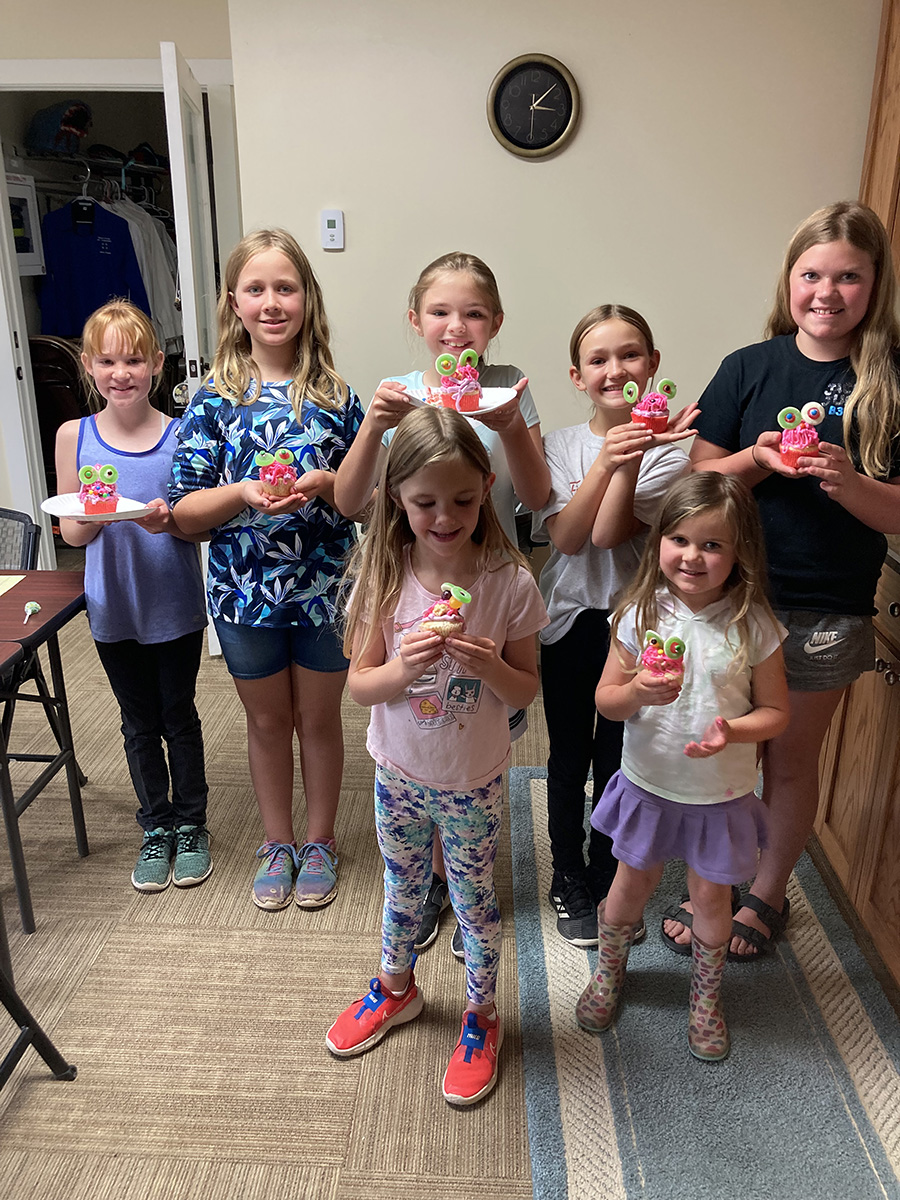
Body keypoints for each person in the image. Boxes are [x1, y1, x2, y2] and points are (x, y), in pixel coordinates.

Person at [665, 201, 900, 961]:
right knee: (727, 752)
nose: (826, 292)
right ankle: (719, 881)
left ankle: (765, 895)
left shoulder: (890, 381)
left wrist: (849, 482)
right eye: (811, 274)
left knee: (790, 762)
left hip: (829, 608)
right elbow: (697, 478)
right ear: (790, 279)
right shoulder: (750, 366)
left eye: (848, 277)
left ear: (874, 284)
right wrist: (757, 463)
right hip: (733, 601)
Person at [326, 406, 548, 1105]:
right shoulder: (383, 575)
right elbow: (362, 685)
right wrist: (402, 667)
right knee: (402, 889)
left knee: (477, 903)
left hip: (473, 780)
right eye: (425, 502)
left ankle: (482, 1015)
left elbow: (528, 688)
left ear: (486, 487)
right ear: (397, 497)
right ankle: (396, 989)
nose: (445, 516)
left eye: (461, 498)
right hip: (397, 772)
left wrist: (488, 670)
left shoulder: (510, 583)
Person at [334, 250, 551, 954]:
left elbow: (540, 497)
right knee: (418, 761)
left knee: (475, 748)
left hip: (489, 578)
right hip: (410, 575)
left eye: (473, 313)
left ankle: (465, 887)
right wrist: (373, 424)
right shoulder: (396, 391)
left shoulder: (511, 388)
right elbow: (350, 501)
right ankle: (428, 884)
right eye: (440, 312)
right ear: (416, 320)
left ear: (494, 323)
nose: (456, 327)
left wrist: (511, 420)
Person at [169, 229, 363, 911]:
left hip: (324, 590)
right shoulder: (211, 398)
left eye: (287, 287)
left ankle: (320, 841)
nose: (272, 301)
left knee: (319, 719)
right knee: (265, 722)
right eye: (257, 288)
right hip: (243, 591)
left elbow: (364, 498)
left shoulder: (337, 396)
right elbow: (184, 511)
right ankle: (275, 841)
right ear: (233, 302)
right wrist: (243, 494)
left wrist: (325, 482)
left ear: (307, 298)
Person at [576, 473, 789, 1060]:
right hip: (650, 785)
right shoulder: (639, 613)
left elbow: (776, 712)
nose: (694, 555)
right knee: (627, 891)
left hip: (720, 794)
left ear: (739, 551)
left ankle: (705, 996)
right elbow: (605, 699)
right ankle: (610, 973)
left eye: (713, 544)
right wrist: (639, 692)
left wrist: (735, 730)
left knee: (712, 900)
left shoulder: (755, 624)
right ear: (660, 542)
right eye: (680, 539)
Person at [531, 304, 696, 945]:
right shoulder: (558, 448)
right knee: (568, 752)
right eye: (598, 359)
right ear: (577, 375)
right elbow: (570, 540)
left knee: (618, 755)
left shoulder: (669, 458)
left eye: (629, 356)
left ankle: (605, 867)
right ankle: (566, 869)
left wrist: (630, 457)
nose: (615, 369)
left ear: (652, 367)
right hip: (568, 620)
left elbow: (611, 530)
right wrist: (607, 459)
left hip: (635, 625)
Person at [55, 299, 211, 892]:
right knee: (138, 720)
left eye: (135, 359)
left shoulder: (181, 435)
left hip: (173, 602)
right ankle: (156, 824)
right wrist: (97, 516)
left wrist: (166, 522)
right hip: (111, 604)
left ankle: (191, 822)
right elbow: (71, 530)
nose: (122, 372)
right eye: (108, 360)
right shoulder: (75, 436)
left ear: (157, 365)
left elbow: (200, 525)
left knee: (180, 714)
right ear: (89, 367)